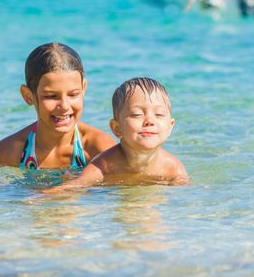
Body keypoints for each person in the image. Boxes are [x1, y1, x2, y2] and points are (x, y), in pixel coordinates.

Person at [42, 77, 189, 192]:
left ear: (170, 127)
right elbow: (76, 185)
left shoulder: (172, 169)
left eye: (159, 114)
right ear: (116, 128)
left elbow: (182, 199)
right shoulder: (104, 164)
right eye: (137, 114)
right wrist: (45, 196)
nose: (149, 121)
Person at [0, 42, 116, 169]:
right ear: (28, 96)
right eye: (51, 96)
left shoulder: (100, 150)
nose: (64, 106)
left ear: (83, 89)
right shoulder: (9, 152)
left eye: (73, 94)